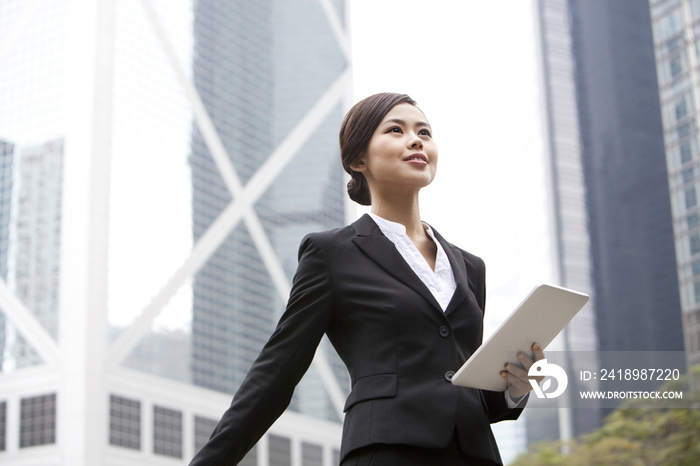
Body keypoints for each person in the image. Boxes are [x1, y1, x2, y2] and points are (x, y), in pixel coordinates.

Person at [188, 93, 544, 466]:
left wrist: (514, 387)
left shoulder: (471, 267)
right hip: (386, 451)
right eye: (396, 130)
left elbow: (469, 390)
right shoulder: (331, 254)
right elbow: (276, 373)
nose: (416, 139)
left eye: (424, 131)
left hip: (476, 455)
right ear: (359, 159)